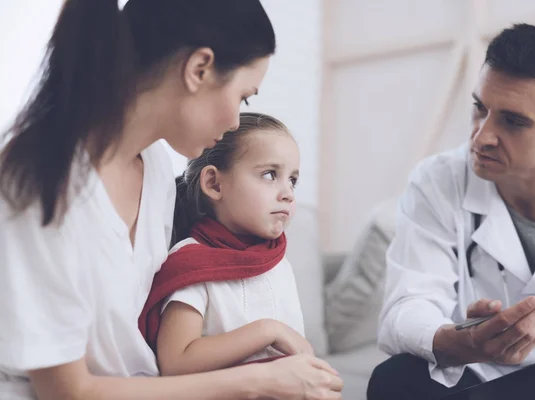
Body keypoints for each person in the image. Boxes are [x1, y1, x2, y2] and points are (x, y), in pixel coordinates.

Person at [0, 1, 342, 399]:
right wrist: (260, 381)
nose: (236, 122)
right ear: (199, 69)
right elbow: (68, 391)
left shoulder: (158, 168)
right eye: (244, 97)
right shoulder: (38, 179)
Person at [368, 23, 535, 400]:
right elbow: (408, 308)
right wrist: (467, 341)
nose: (482, 135)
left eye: (513, 121)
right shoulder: (437, 180)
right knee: (396, 379)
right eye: (480, 108)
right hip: (482, 381)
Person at [139, 112, 312, 375]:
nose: (288, 193)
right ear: (214, 183)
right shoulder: (192, 264)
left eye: (293, 180)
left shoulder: (278, 261)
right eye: (269, 174)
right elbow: (176, 361)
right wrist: (268, 330)